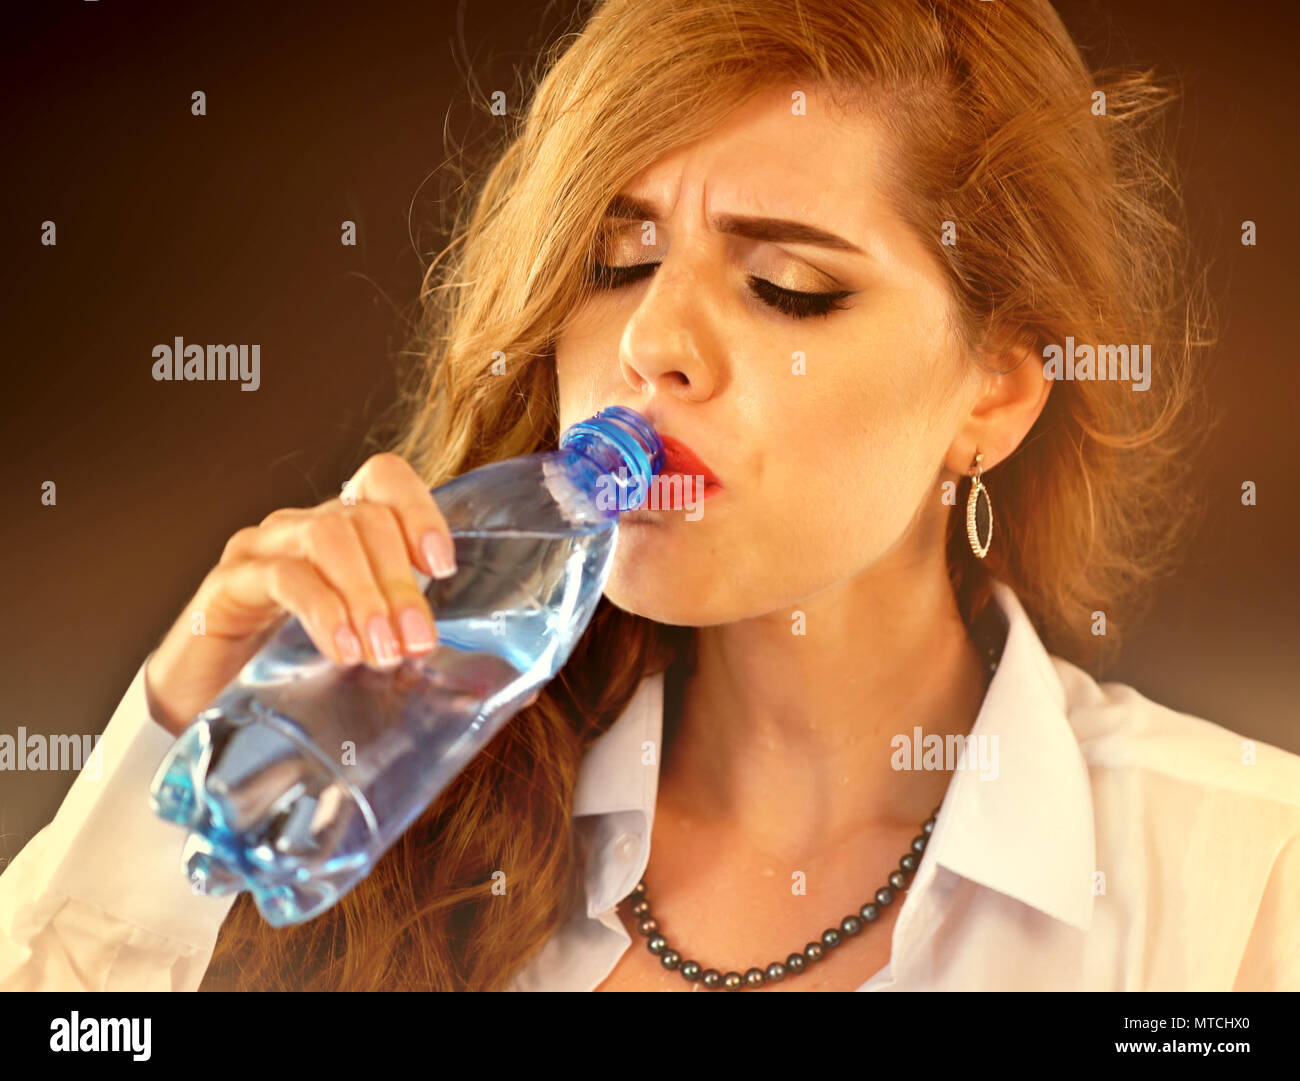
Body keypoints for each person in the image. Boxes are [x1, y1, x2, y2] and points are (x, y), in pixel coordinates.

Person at [2, 0, 1297, 992]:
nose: (651, 342)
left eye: (788, 287)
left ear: (996, 394)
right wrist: (182, 721)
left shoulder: (1245, 882)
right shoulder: (394, 803)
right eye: (616, 262)